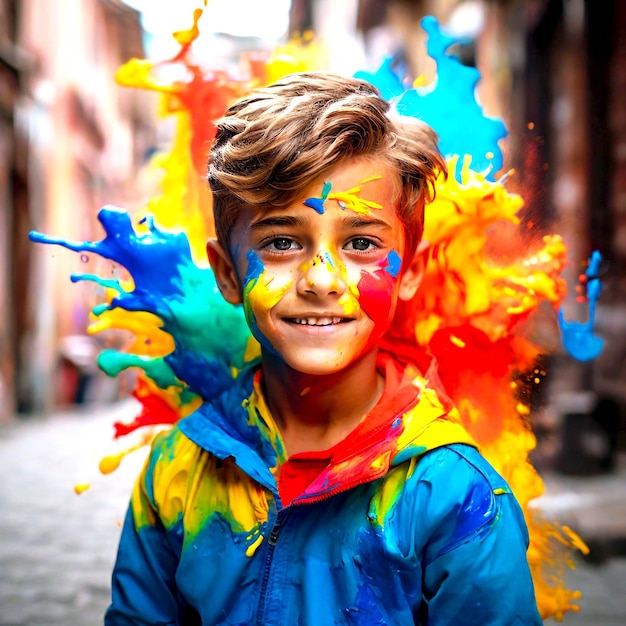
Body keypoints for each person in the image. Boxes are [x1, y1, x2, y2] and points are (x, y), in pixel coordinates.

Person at [105, 73, 542, 625]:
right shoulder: (177, 470)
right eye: (282, 242)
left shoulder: (456, 497)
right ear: (228, 273)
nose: (321, 279)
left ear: (409, 271)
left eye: (361, 243)